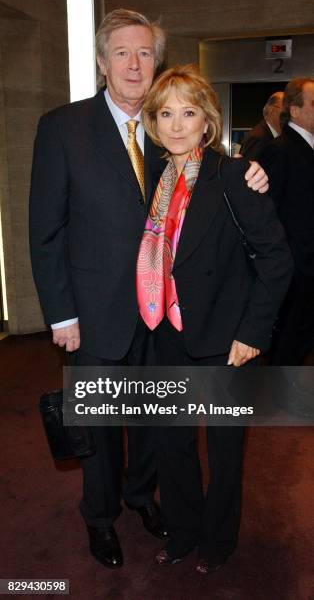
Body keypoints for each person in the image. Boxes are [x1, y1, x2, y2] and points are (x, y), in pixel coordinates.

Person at [29, 9, 270, 570]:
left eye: (145, 54)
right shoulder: (62, 127)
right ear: (101, 62)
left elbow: (209, 182)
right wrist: (61, 313)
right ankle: (100, 517)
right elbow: (45, 232)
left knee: (156, 423)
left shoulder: (168, 131)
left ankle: (143, 498)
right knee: (100, 425)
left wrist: (253, 171)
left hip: (166, 321)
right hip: (96, 313)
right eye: (122, 53)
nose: (134, 65)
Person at [137, 65, 293, 574]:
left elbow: (276, 259)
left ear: (207, 121)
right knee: (172, 443)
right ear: (153, 124)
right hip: (167, 335)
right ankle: (183, 532)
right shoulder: (153, 181)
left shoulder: (234, 175)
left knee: (226, 452)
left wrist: (252, 333)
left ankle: (218, 542)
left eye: (188, 112)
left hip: (226, 340)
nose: (177, 124)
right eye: (165, 114)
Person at [261, 78, 314, 364]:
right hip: (295, 269)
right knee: (288, 342)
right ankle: (280, 404)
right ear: (294, 111)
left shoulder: (306, 149)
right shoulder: (280, 150)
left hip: (306, 268)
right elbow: (270, 212)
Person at [240, 91, 284, 160]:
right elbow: (249, 168)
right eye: (285, 110)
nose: (290, 115)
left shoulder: (270, 135)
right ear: (273, 111)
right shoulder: (258, 137)